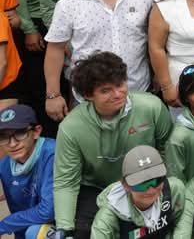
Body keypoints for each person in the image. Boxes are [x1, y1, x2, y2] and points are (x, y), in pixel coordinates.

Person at [52, 53, 173, 238]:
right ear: (87, 95)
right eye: (106, 90)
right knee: (82, 231)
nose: (117, 94)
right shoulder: (70, 127)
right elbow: (66, 182)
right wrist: (64, 227)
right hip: (96, 188)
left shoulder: (152, 107)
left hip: (146, 180)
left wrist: (164, 186)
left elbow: (167, 151)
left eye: (120, 85)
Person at [43, 0, 156, 120]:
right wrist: (53, 94)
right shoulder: (69, 4)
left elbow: (157, 40)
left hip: (137, 92)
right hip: (90, 97)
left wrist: (159, 75)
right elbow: (55, 49)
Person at [89, 146, 184, 238]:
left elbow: (181, 225)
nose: (151, 190)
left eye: (157, 180)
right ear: (125, 186)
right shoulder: (106, 220)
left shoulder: (174, 191)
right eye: (142, 184)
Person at [0, 105, 55, 239]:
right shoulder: (5, 164)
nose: (12, 144)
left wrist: (3, 226)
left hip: (65, 225)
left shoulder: (53, 153)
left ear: (36, 131)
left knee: (35, 233)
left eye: (20, 133)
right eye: (3, 137)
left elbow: (48, 211)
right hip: (28, 230)